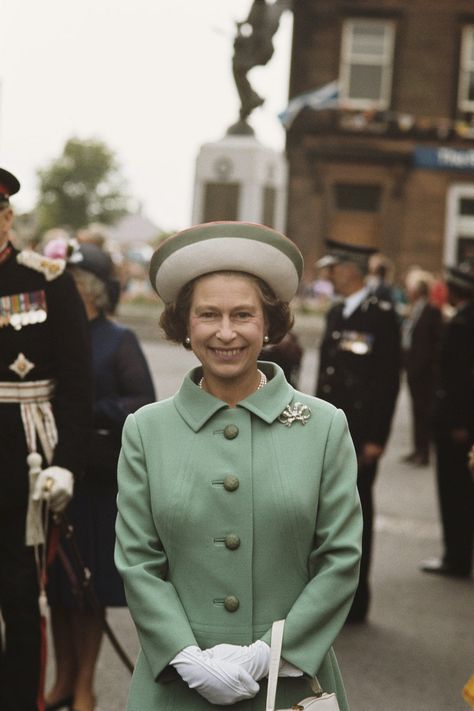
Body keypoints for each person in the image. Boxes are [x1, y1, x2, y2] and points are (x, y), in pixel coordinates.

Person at [115, 221, 362, 710]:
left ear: (268, 323)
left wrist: (269, 655)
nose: (225, 332)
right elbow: (139, 562)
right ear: (185, 325)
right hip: (175, 685)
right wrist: (186, 656)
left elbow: (340, 559)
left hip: (289, 683)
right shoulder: (146, 430)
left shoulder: (324, 426)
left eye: (243, 315)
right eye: (208, 315)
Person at [46, 243, 156, 711]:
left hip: (96, 481)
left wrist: (90, 410)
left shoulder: (117, 339)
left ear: (85, 289)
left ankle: (86, 685)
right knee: (56, 588)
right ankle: (63, 680)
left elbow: (142, 400)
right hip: (52, 474)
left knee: (87, 590)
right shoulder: (50, 335)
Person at [0, 168, 92, 711]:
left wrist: (67, 464)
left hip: (22, 462)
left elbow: (79, 386)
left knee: (20, 601)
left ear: (7, 216)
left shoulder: (47, 279)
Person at [315, 239, 401, 623]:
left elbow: (386, 382)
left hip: (360, 433)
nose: (327, 275)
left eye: (332, 268)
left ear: (350, 270)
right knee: (325, 514)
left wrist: (376, 439)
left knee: (357, 515)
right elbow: (326, 376)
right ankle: (326, 596)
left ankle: (355, 601)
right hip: (329, 431)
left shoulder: (380, 316)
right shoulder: (337, 313)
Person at [421, 263, 474, 578]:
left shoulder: (463, 324)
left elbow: (459, 381)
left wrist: (460, 424)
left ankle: (455, 557)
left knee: (453, 492)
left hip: (456, 424)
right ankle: (459, 554)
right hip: (461, 422)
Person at [401, 268, 442, 466]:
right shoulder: (415, 309)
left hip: (424, 373)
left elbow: (433, 345)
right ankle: (417, 448)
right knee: (416, 411)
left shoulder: (432, 311)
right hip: (413, 370)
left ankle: (424, 452)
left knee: (423, 412)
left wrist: (422, 366)